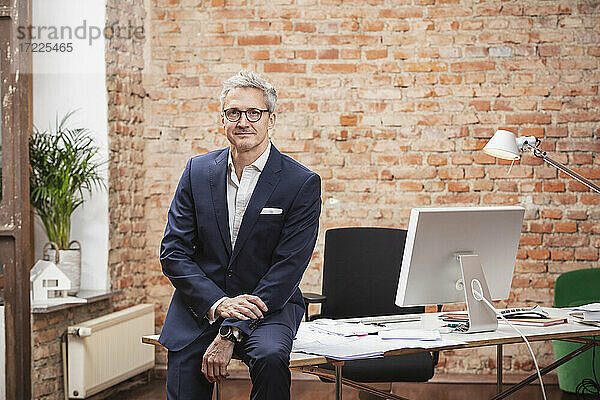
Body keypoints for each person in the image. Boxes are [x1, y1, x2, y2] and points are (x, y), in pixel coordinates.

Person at [159, 70, 322, 400]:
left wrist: (231, 331)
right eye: (234, 113)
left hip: (269, 307)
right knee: (183, 363)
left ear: (271, 120)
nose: (243, 122)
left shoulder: (300, 183)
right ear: (223, 119)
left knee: (271, 357)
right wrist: (219, 305)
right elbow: (173, 252)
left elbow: (287, 269)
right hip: (202, 306)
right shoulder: (197, 172)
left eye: (253, 113)